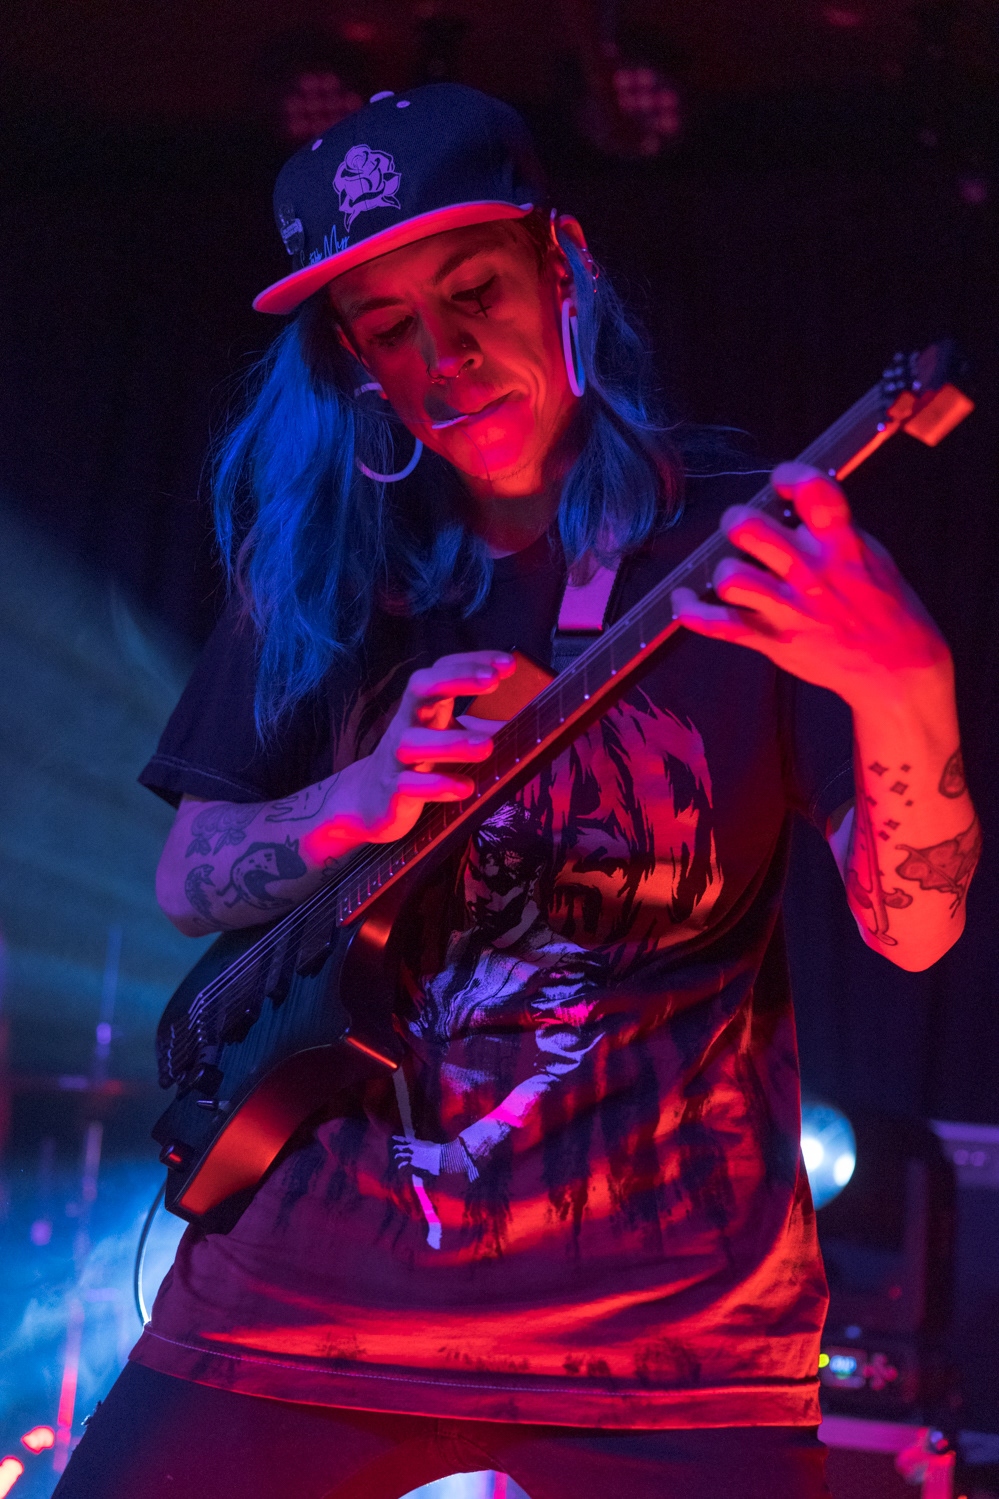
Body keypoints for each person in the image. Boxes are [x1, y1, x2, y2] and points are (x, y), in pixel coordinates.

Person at [56, 85, 978, 1499]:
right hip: (300, 1306)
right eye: (386, 326)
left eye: (474, 290)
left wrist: (907, 685)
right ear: (351, 357)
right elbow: (192, 876)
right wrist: (352, 800)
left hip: (671, 1343)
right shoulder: (327, 562)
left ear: (566, 266)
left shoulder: (747, 549)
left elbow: (912, 932)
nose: (445, 358)